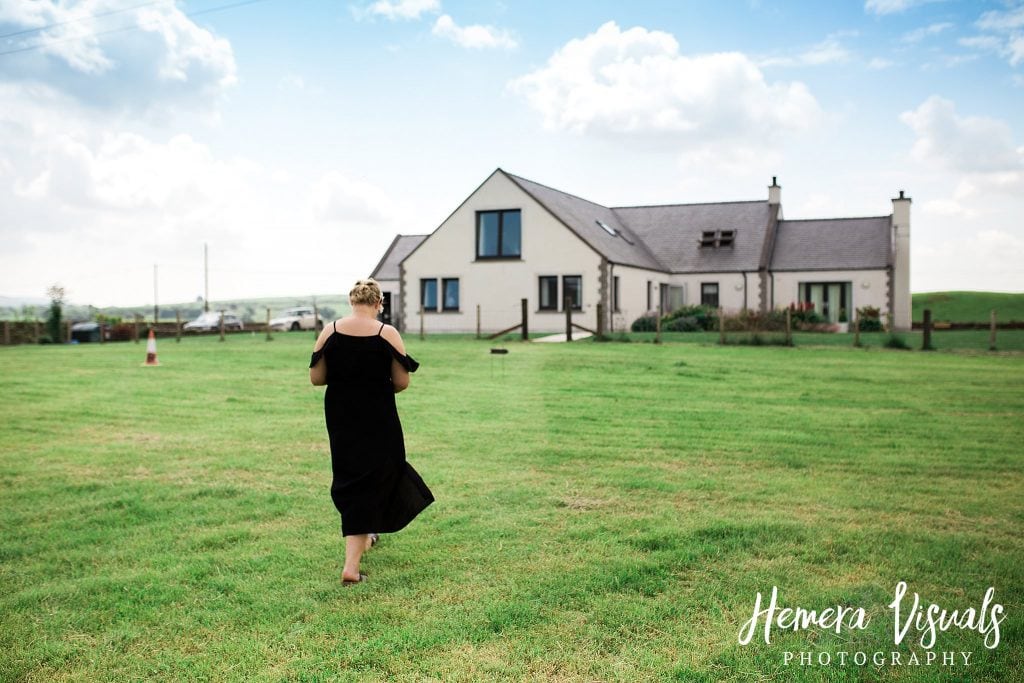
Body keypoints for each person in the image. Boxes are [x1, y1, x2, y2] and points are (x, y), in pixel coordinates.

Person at [309, 278, 434, 585]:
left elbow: (316, 378)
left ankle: (365, 535)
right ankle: (351, 566)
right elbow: (402, 382)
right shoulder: (386, 333)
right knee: (383, 471)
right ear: (379, 304)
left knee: (351, 476)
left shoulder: (331, 331)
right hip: (378, 415)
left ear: (352, 303)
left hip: (341, 416)